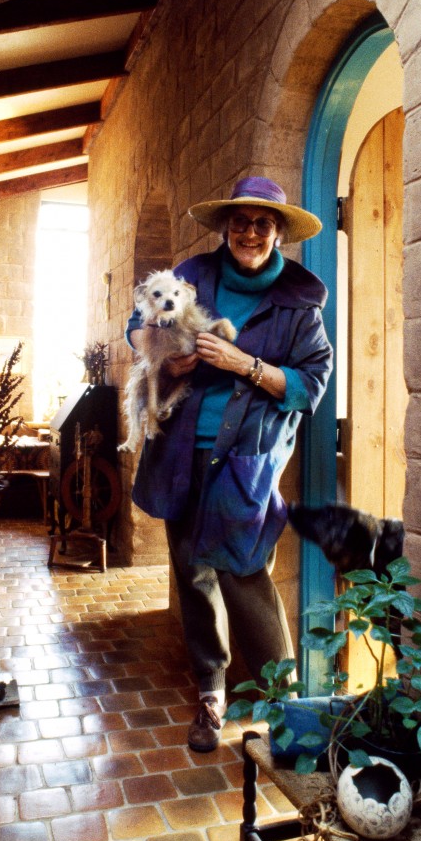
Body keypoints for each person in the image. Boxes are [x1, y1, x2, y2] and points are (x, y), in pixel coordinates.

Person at [126, 176, 333, 751]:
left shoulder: (298, 305)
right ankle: (211, 692)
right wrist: (167, 360)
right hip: (180, 451)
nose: (249, 233)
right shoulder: (193, 277)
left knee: (244, 574)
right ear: (226, 227)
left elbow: (312, 382)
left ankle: (290, 715)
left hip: (245, 460)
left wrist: (246, 364)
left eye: (262, 224)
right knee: (192, 572)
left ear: (279, 233)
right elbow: (137, 325)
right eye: (239, 222)